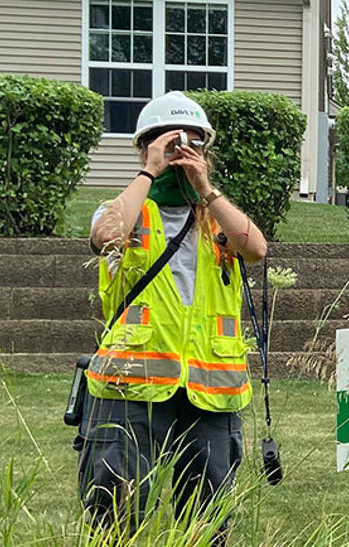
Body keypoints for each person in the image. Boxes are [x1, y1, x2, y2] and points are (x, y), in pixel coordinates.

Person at [79, 91, 267, 540]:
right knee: (115, 513)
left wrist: (205, 188)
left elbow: (257, 248)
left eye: (194, 145)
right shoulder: (126, 211)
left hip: (209, 392)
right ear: (146, 145)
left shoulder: (217, 219)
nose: (182, 152)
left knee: (204, 523)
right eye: (170, 142)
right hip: (131, 388)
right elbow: (107, 235)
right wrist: (150, 169)